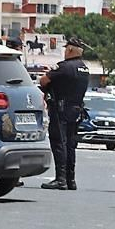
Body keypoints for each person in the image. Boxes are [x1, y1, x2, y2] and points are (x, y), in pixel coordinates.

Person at [39, 38, 90, 190]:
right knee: (70, 145)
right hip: (76, 110)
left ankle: (60, 179)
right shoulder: (84, 68)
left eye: (66, 48)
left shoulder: (63, 67)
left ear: (70, 50)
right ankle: (70, 179)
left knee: (59, 143)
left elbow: (44, 81)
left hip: (61, 109)